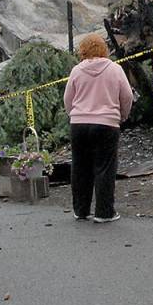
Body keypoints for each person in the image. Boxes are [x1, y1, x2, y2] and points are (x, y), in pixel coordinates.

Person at [63, 33, 134, 223]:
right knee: (105, 168)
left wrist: (74, 115)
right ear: (104, 49)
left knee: (80, 167)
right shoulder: (115, 69)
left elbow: (68, 99)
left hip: (79, 124)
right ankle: (104, 212)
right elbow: (127, 96)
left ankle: (81, 210)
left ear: (83, 51)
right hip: (106, 124)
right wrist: (122, 116)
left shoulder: (77, 71)